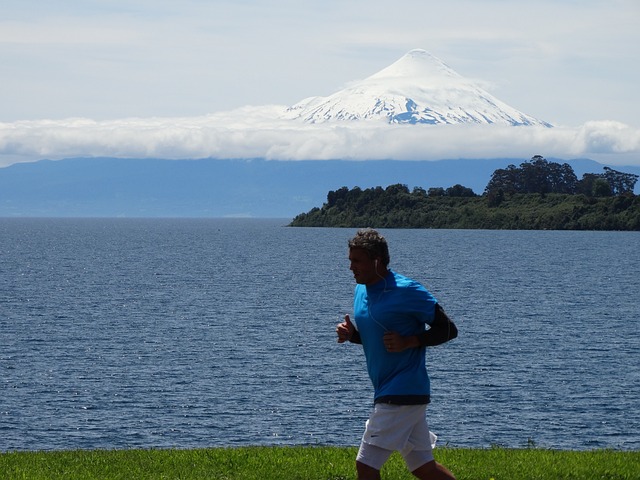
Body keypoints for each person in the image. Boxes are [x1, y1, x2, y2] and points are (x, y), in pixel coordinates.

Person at [336, 228, 458, 480]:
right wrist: (353, 335)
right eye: (350, 260)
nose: (351, 267)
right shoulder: (361, 290)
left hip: (401, 391)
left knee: (366, 465)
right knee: (423, 467)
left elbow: (448, 329)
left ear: (377, 260)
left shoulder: (407, 290)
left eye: (357, 261)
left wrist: (409, 340)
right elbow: (376, 338)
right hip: (394, 391)